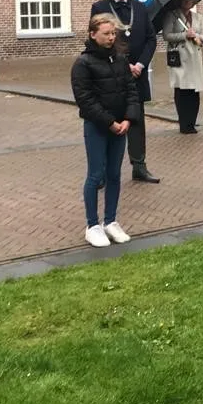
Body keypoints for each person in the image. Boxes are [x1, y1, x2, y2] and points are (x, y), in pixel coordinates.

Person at [71, 14, 139, 248]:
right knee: (95, 175)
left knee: (114, 174)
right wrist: (110, 122)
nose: (111, 38)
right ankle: (93, 225)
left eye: (113, 34)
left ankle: (111, 221)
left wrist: (129, 118)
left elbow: (131, 90)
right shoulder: (83, 64)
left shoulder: (120, 59)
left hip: (120, 126)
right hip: (98, 127)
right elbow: (85, 100)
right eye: (106, 34)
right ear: (93, 34)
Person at [90, 0, 160, 183]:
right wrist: (124, 64)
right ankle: (102, 171)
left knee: (136, 121)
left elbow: (151, 38)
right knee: (110, 121)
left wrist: (140, 64)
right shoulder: (100, 7)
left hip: (137, 75)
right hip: (112, 75)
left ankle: (139, 166)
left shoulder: (139, 7)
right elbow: (97, 39)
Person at [162, 0, 203, 134]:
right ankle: (184, 124)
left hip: (194, 56)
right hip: (180, 58)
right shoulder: (172, 15)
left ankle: (192, 123)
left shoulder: (198, 17)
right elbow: (167, 35)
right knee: (182, 90)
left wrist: (197, 36)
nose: (188, 2)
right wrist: (184, 35)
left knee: (194, 91)